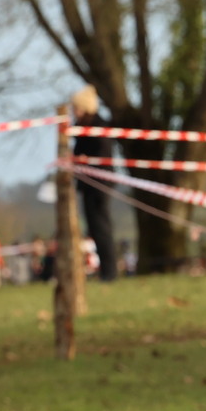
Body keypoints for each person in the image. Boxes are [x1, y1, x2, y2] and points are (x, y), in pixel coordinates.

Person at [71, 86, 120, 280]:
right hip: (88, 184)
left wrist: (86, 160)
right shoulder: (82, 127)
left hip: (100, 184)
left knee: (102, 228)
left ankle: (110, 272)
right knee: (94, 229)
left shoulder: (99, 126)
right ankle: (105, 272)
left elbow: (103, 156)